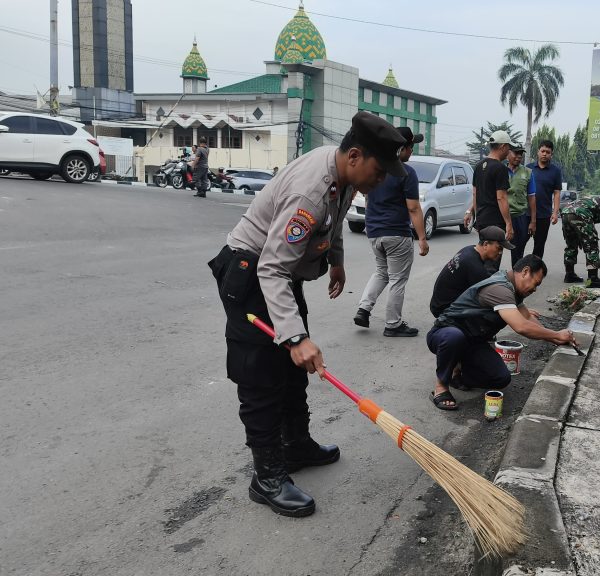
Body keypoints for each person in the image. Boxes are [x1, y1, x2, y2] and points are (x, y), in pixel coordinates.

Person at [207, 112, 406, 518]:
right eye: (379, 171)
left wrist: (335, 259)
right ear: (355, 155)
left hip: (278, 272)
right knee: (262, 377)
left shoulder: (344, 176)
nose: (382, 180)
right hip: (251, 273)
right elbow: (271, 268)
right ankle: (266, 477)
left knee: (295, 369)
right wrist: (295, 337)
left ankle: (295, 444)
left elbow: (330, 225)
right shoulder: (310, 193)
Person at [425, 255, 576, 410]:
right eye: (535, 283)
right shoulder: (500, 289)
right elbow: (521, 326)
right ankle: (441, 387)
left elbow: (527, 317)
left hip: (472, 342)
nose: (534, 289)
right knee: (454, 337)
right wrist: (557, 335)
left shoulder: (513, 289)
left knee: (500, 378)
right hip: (444, 334)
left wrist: (555, 337)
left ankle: (457, 374)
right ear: (525, 271)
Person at [352, 127, 429, 337]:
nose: (412, 151)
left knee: (381, 272)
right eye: (410, 147)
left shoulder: (374, 167)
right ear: (401, 148)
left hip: (374, 232)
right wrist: (422, 238)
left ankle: (364, 309)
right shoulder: (406, 172)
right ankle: (393, 324)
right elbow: (413, 207)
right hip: (396, 233)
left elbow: (367, 198)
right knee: (397, 279)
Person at [429, 226, 512, 318]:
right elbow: (492, 296)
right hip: (445, 309)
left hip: (437, 302)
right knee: (492, 313)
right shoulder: (475, 267)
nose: (500, 252)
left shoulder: (469, 249)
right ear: (485, 244)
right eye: (499, 248)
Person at [466, 130, 513, 245]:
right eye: (508, 147)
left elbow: (475, 194)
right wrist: (508, 223)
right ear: (503, 146)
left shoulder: (478, 166)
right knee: (494, 256)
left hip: (482, 220)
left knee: (483, 254)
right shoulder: (500, 168)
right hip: (495, 222)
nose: (509, 151)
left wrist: (477, 216)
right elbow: (501, 197)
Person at [526, 140, 563, 259]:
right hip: (526, 213)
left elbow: (557, 193)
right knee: (519, 243)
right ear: (538, 152)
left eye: (548, 152)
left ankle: (535, 272)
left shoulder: (555, 171)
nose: (545, 154)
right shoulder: (528, 168)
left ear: (551, 154)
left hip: (544, 215)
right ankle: (518, 270)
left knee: (539, 246)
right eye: (542, 151)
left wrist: (555, 212)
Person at [505, 144, 536, 266]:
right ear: (508, 154)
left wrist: (533, 221)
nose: (518, 157)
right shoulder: (500, 170)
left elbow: (532, 198)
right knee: (495, 249)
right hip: (501, 215)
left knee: (518, 252)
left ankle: (517, 280)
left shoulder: (528, 173)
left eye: (521, 154)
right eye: (515, 153)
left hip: (519, 216)